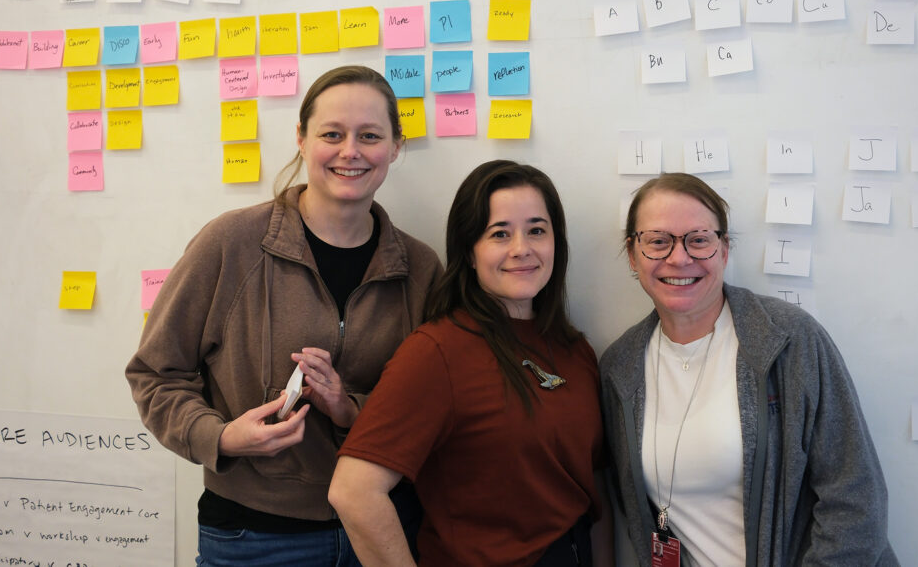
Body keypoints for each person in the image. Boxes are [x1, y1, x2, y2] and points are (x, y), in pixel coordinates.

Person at [125, 65, 442, 566]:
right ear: (300, 138)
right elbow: (155, 375)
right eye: (332, 134)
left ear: (396, 147)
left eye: (370, 136)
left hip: (381, 531)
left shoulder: (421, 268)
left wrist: (348, 409)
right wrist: (223, 437)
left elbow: (429, 404)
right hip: (255, 537)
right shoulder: (229, 244)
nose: (350, 151)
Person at [600, 173, 898, 567]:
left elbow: (856, 499)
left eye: (699, 239)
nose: (679, 258)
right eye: (658, 241)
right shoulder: (620, 367)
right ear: (633, 254)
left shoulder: (790, 339)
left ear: (724, 250)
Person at [329, 160, 614, 567]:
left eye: (537, 230)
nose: (522, 248)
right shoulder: (436, 351)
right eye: (500, 233)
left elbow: (592, 487)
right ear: (469, 251)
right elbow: (354, 491)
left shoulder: (574, 350)